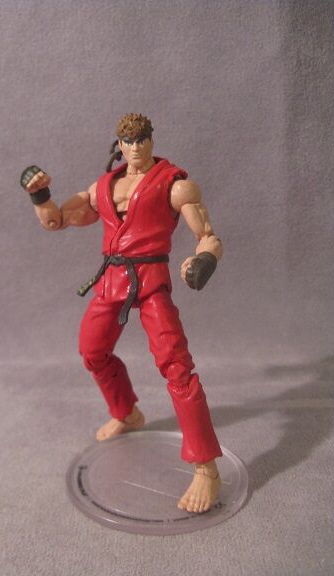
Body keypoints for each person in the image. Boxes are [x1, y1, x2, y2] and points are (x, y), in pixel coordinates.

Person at [21, 113, 223, 514]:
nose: (135, 147)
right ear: (119, 144)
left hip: (151, 281)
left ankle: (206, 467)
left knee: (177, 368)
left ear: (151, 140)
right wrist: (40, 196)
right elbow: (57, 221)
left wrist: (202, 262)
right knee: (92, 351)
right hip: (112, 280)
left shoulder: (176, 186)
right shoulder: (102, 189)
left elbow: (208, 238)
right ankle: (127, 413)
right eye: (128, 141)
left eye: (141, 139)